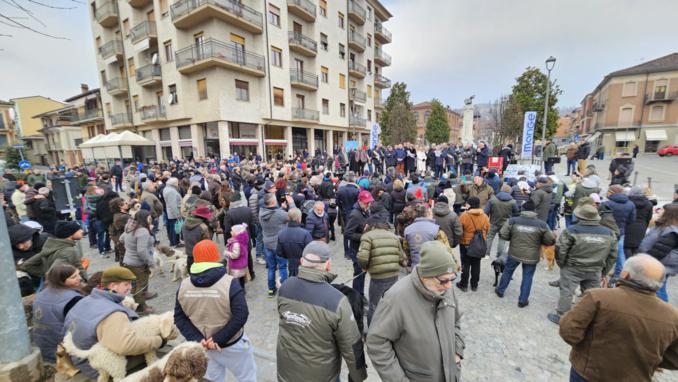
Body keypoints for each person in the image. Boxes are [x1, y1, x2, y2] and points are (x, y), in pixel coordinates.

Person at [559, 255, 678, 382]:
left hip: (589, 373)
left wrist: (588, 352)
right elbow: (674, 359)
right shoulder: (673, 316)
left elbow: (568, 331)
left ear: (625, 274)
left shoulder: (598, 296)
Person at [367, 241, 464, 382]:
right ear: (426, 276)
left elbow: (456, 320)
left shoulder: (446, 287)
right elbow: (376, 342)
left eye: (452, 279)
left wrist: (457, 350)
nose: (449, 285)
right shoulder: (396, 298)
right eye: (443, 281)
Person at [276, 241, 367, 382]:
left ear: (301, 261)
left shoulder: (285, 287)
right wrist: (358, 377)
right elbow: (352, 346)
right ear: (328, 265)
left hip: (286, 372)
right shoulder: (338, 301)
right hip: (322, 376)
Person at [64, 266, 170, 379]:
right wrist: (158, 341)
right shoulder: (113, 314)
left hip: (79, 357)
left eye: (130, 284)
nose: (130, 288)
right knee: (159, 354)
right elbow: (126, 346)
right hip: (96, 365)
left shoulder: (86, 300)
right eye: (126, 284)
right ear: (112, 285)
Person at [174, 239, 256, 382]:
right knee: (247, 376)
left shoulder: (184, 285)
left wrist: (199, 339)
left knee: (212, 379)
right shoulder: (230, 283)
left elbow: (179, 318)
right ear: (216, 257)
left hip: (203, 347)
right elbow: (241, 315)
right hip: (232, 344)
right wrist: (217, 339)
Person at [547, 204, 617, 324]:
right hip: (595, 269)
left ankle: (562, 316)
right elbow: (612, 255)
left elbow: (560, 250)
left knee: (567, 291)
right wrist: (603, 272)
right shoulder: (609, 233)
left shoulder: (571, 231)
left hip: (573, 268)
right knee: (592, 295)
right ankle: (588, 318)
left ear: (579, 216)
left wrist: (562, 264)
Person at [495, 200, 555, 307]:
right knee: (528, 276)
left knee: (508, 271)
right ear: (534, 211)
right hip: (531, 255)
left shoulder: (512, 220)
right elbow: (550, 240)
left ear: (522, 209)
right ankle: (523, 301)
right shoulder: (542, 224)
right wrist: (539, 241)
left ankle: (500, 290)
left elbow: (503, 234)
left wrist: (512, 238)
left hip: (514, 252)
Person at [32, 264, 83, 364]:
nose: (80, 278)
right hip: (64, 353)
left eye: (78, 274)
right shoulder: (72, 299)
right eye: (74, 277)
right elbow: (82, 328)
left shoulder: (40, 295)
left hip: (44, 348)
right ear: (60, 280)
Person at [358, 216, 405, 325]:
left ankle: (372, 331)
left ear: (370, 225)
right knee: (391, 303)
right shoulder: (393, 236)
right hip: (393, 275)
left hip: (378, 277)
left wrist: (364, 267)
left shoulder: (367, 236)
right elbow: (401, 257)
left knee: (374, 305)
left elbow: (363, 257)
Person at [21, 221, 87, 282]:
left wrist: (44, 272)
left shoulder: (51, 246)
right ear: (70, 234)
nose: (82, 231)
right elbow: (52, 274)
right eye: (78, 230)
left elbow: (27, 265)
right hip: (70, 288)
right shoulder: (68, 251)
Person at [639, 204, 678, 302]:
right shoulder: (663, 227)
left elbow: (659, 251)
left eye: (662, 210)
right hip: (655, 264)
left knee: (658, 291)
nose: (658, 211)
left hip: (660, 265)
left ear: (668, 213)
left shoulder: (671, 231)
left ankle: (664, 314)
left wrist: (644, 260)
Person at [121, 209, 156, 314]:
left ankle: (142, 300)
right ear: (145, 218)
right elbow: (141, 251)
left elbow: (121, 239)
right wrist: (151, 263)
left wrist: (130, 248)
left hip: (128, 261)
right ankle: (141, 308)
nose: (151, 219)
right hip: (138, 263)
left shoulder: (130, 227)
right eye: (149, 217)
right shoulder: (142, 231)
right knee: (141, 286)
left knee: (136, 285)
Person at [260, 192, 294, 297]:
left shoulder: (261, 212)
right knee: (283, 267)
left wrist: (281, 208)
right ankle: (284, 289)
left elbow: (273, 212)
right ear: (274, 202)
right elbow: (293, 215)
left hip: (267, 244)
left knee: (271, 268)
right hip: (279, 245)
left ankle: (271, 289)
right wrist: (291, 204)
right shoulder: (280, 214)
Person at [602, 185, 636, 280]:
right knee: (620, 253)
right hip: (621, 231)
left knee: (603, 252)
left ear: (611, 192)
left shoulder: (607, 204)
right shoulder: (630, 204)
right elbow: (632, 220)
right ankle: (619, 274)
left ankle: (602, 273)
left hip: (606, 231)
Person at [457, 196, 490, 292]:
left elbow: (460, 230)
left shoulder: (464, 215)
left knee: (465, 264)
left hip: (466, 244)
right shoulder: (485, 216)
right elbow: (487, 229)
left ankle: (464, 284)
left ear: (470, 205)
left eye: (467, 203)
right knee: (476, 264)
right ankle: (474, 285)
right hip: (479, 244)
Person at [345, 190, 373, 296]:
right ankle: (356, 297)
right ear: (359, 201)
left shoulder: (365, 211)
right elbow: (347, 234)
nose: (368, 204)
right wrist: (364, 236)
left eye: (369, 202)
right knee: (359, 274)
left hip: (362, 249)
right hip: (356, 250)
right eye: (366, 202)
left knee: (363, 273)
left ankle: (360, 295)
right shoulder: (355, 215)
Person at [484, 184, 518, 258]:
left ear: (501, 189)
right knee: (502, 239)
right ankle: (499, 255)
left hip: (493, 222)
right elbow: (516, 212)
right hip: (506, 224)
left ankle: (487, 254)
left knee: (489, 237)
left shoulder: (492, 199)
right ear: (509, 191)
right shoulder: (512, 201)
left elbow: (486, 211)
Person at [276, 208, 312, 277]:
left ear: (288, 218)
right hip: (304, 266)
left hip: (291, 265)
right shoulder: (305, 233)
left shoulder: (281, 233)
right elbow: (311, 252)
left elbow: (279, 253)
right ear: (299, 218)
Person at [624, 186, 654, 259]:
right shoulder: (649, 204)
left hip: (628, 226)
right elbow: (649, 218)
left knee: (626, 246)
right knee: (636, 247)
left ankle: (628, 263)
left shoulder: (627, 202)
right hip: (641, 227)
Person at [182, 206, 213, 271]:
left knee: (191, 274)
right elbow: (207, 243)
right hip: (200, 257)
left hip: (189, 254)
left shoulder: (185, 224)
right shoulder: (203, 227)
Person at [109, 197, 131, 265]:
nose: (127, 204)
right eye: (125, 203)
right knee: (125, 258)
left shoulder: (118, 214)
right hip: (124, 240)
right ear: (120, 206)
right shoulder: (122, 217)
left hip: (121, 239)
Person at [163, 177, 183, 247]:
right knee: (174, 228)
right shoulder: (171, 191)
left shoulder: (167, 188)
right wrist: (177, 215)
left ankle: (174, 241)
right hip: (173, 213)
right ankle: (175, 242)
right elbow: (173, 204)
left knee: (172, 227)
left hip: (170, 212)